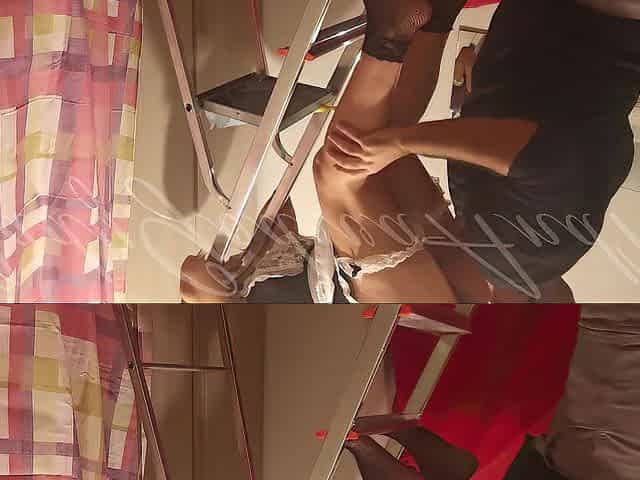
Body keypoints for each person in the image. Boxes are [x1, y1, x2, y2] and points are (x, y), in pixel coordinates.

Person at [181, 0, 639, 304]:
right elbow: (556, 156)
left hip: (446, 286)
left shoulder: (519, 249)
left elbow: (587, 148)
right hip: (594, 27)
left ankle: (432, 20)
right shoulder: (525, 253)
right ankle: (389, 38)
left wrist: (245, 263)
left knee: (378, 145)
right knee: (343, 168)